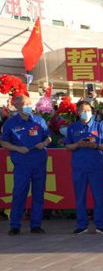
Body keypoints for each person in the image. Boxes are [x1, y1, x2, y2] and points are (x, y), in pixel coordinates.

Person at [0, 94, 51, 235]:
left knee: (38, 194)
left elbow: (48, 137)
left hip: (39, 162)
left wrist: (44, 143)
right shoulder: (10, 123)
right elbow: (3, 142)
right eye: (23, 104)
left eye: (29, 103)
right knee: (19, 193)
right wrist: (17, 149)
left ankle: (36, 224)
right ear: (16, 106)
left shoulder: (39, 121)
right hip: (22, 164)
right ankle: (15, 225)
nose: (27, 106)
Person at [63, 101, 103, 234]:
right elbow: (68, 146)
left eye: (88, 110)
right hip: (79, 166)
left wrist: (95, 146)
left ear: (92, 112)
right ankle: (81, 224)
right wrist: (78, 144)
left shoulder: (99, 126)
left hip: (96, 166)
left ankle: (101, 224)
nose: (85, 113)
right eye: (82, 110)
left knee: (99, 196)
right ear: (77, 112)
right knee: (80, 196)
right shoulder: (72, 127)